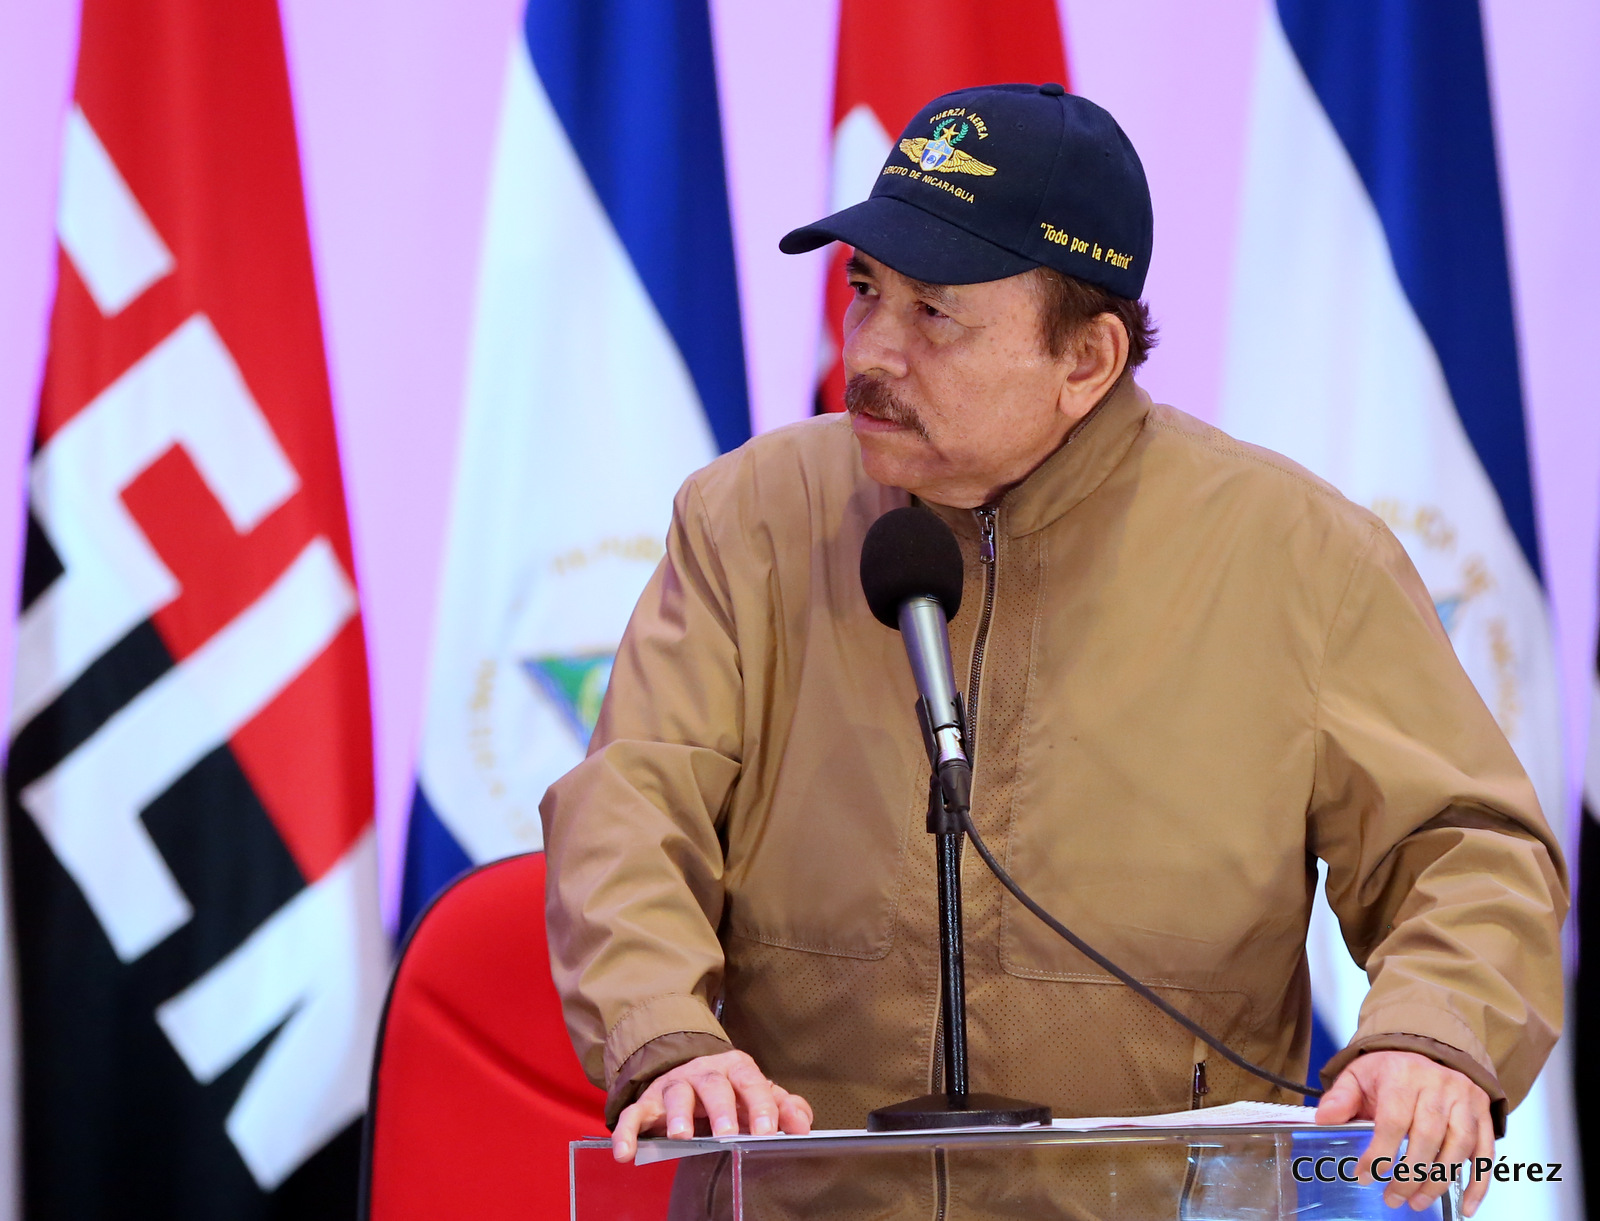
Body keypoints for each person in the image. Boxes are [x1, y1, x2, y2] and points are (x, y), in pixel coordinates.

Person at [540, 84, 1565, 1218]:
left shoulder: (1302, 558)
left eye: (934, 314)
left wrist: (1432, 1035)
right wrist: (668, 1036)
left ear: (1086, 359)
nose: (869, 350)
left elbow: (1465, 848)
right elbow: (632, 805)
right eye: (865, 289)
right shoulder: (750, 520)